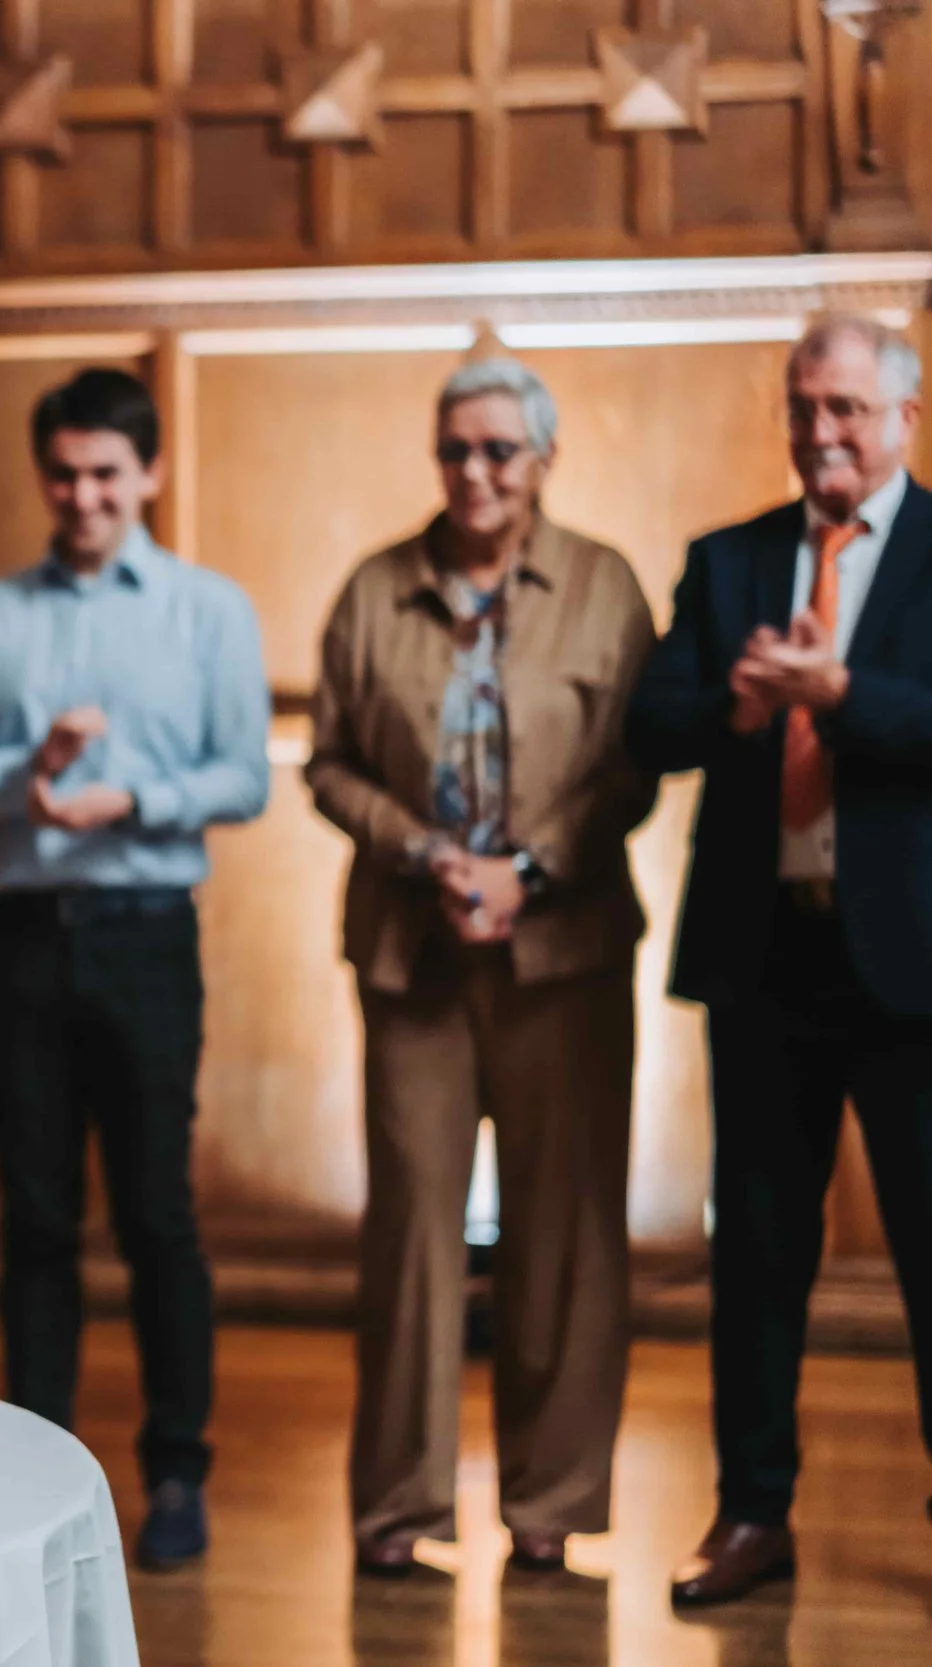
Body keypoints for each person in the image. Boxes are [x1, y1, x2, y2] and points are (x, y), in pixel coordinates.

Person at [306, 359, 657, 1576]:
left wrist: (533, 867)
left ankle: (550, 1507)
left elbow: (632, 764)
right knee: (411, 1232)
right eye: (455, 448)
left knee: (565, 1234)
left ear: (543, 458)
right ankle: (398, 1511)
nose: (474, 471)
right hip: (414, 958)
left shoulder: (605, 587)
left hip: (565, 954)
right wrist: (422, 851)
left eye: (500, 449)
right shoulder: (372, 589)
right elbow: (331, 762)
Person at [0, 366, 269, 1570]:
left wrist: (135, 796)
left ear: (150, 474)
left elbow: (246, 775)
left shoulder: (207, 608)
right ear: (42, 475)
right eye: (64, 475)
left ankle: (175, 1469)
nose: (83, 496)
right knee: (33, 1217)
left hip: (145, 928)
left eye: (106, 475)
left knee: (158, 1213)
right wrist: (25, 766)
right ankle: (40, 1474)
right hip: (20, 936)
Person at [628, 316, 932, 1607]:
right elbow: (652, 723)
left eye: (848, 409)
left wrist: (840, 691)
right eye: (805, 408)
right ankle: (753, 1512)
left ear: (904, 416)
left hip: (915, 974)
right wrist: (743, 703)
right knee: (753, 1256)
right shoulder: (729, 557)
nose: (822, 433)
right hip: (765, 962)